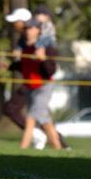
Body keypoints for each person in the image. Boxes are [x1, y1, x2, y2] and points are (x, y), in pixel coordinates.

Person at [18, 18, 62, 150]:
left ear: (39, 30)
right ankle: (58, 149)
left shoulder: (46, 48)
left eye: (31, 28)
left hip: (44, 87)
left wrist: (43, 59)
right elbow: (23, 66)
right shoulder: (25, 47)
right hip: (31, 87)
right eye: (26, 28)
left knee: (30, 118)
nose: (28, 31)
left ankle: (22, 150)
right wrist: (9, 65)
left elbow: (51, 70)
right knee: (45, 121)